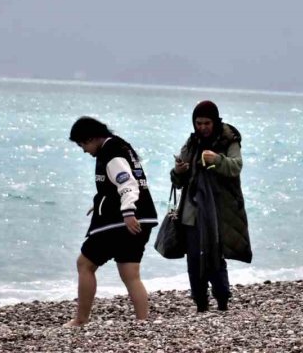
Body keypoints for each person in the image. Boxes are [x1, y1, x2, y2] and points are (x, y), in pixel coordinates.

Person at [67, 117, 158, 326]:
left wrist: (127, 212)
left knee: (85, 264)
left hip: (122, 221)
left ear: (91, 138)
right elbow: (118, 185)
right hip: (143, 217)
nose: (83, 150)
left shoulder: (111, 152)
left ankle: (81, 320)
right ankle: (143, 322)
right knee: (130, 273)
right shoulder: (121, 145)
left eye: (82, 144)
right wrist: (100, 202)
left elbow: (128, 183)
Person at [171, 100, 252, 312]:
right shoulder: (191, 143)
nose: (203, 127)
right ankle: (200, 302)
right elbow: (178, 181)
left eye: (207, 123)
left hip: (219, 211)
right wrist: (178, 171)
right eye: (198, 123)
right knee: (193, 260)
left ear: (215, 122)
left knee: (215, 257)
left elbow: (236, 166)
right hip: (192, 211)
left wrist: (217, 159)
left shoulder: (229, 140)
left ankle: (222, 299)